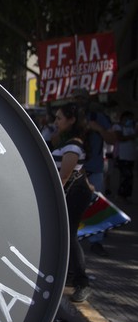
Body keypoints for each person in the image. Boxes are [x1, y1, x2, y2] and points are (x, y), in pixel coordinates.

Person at [52, 102, 93, 303]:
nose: (55, 122)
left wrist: (53, 198)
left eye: (59, 118)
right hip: (73, 192)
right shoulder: (66, 141)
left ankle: (82, 283)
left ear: (71, 120)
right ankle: (68, 277)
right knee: (66, 235)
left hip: (75, 193)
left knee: (70, 236)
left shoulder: (73, 145)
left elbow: (65, 175)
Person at [71, 87, 116, 257]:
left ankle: (96, 241)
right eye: (76, 98)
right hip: (75, 170)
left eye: (82, 98)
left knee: (96, 206)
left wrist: (98, 128)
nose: (79, 102)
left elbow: (112, 139)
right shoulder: (70, 118)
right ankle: (72, 241)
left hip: (94, 170)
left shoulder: (99, 118)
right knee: (72, 206)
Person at [112, 110, 136, 202]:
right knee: (125, 176)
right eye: (129, 118)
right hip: (122, 156)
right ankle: (120, 195)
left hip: (130, 156)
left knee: (129, 177)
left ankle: (125, 196)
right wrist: (133, 136)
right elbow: (120, 138)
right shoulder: (118, 127)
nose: (131, 120)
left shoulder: (131, 128)